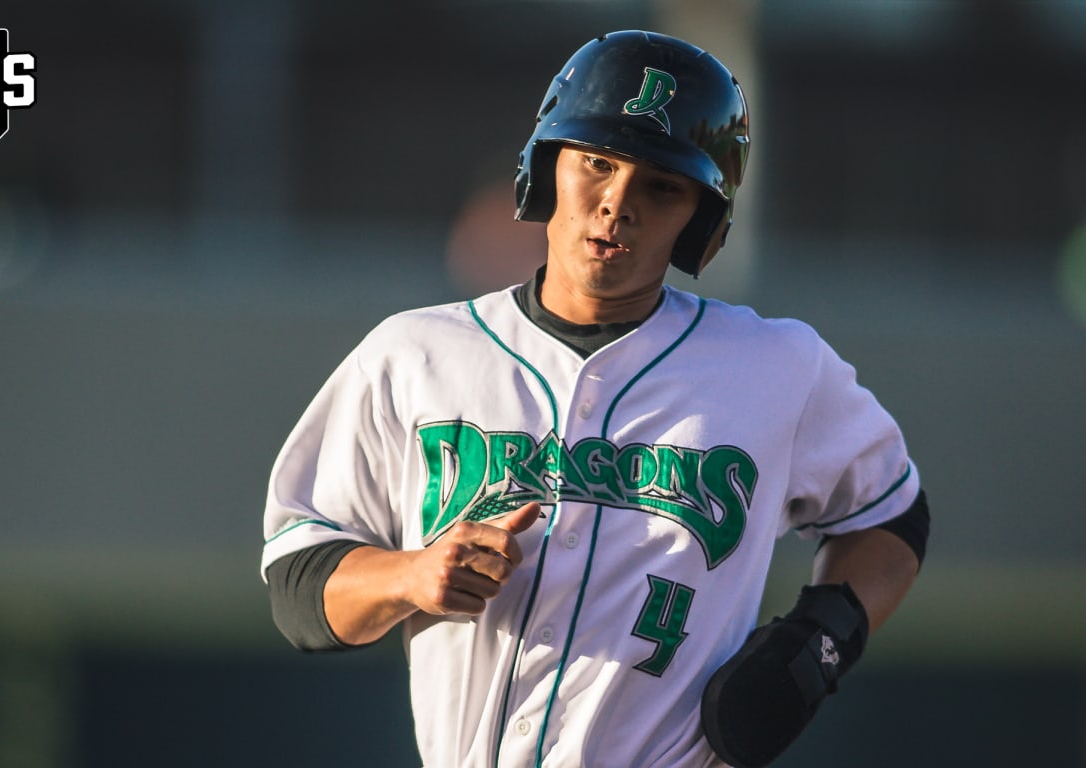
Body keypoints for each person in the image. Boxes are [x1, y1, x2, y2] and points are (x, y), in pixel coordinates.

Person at [261, 30, 929, 768]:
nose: (617, 205)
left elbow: (893, 514)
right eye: (597, 164)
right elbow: (301, 583)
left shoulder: (778, 366)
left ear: (699, 217)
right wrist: (409, 575)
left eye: (661, 186)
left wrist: (816, 645)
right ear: (548, 168)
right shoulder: (415, 355)